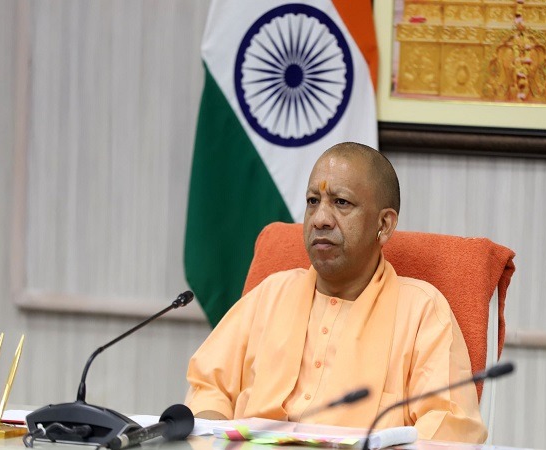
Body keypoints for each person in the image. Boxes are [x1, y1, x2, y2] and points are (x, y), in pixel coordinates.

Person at [185, 142, 487, 443]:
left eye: (341, 202)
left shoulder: (421, 312)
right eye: (313, 201)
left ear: (384, 224)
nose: (320, 219)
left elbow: (448, 427)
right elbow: (209, 387)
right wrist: (212, 435)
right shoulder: (271, 295)